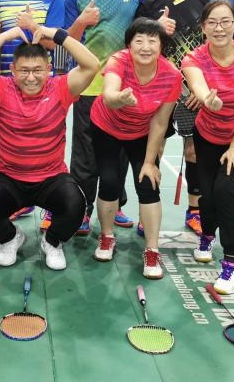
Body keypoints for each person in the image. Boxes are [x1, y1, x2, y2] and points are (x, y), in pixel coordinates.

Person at [0, 25, 99, 270]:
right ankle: (10, 238)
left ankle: (52, 241)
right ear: (13, 70)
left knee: (76, 205)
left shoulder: (61, 88)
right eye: (24, 70)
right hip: (9, 177)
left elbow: (91, 65)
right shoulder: (1, 88)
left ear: (48, 69)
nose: (31, 77)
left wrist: (55, 34)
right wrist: (6, 35)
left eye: (37, 70)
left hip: (51, 177)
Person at [62, 0, 147, 235]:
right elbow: (66, 40)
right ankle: (82, 210)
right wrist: (82, 22)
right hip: (89, 86)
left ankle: (116, 204)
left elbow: (143, 30)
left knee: (120, 151)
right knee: (84, 154)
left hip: (124, 86)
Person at [181, 0, 234, 295]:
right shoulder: (193, 58)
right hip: (207, 135)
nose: (219, 28)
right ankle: (206, 236)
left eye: (225, 21)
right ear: (204, 28)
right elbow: (197, 85)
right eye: (213, 23)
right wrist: (208, 99)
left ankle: (231, 265)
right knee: (208, 195)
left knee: (226, 192)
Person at [90, 18, 181, 279]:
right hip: (106, 126)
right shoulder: (118, 61)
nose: (145, 47)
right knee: (109, 182)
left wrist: (150, 162)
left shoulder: (172, 75)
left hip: (142, 132)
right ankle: (107, 237)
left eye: (152, 41)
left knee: (148, 183)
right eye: (138, 40)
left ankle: (152, 250)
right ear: (129, 44)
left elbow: (160, 122)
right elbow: (109, 96)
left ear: (161, 46)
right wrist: (119, 98)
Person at [136, 0, 211, 236]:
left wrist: (201, 89)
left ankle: (195, 210)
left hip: (193, 93)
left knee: (194, 151)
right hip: (158, 91)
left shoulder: (204, 5)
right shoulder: (149, 6)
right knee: (154, 150)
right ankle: (147, 209)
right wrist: (156, 28)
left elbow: (212, 50)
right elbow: (136, 46)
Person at [0, 0, 65, 222]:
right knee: (12, 145)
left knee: (49, 146)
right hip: (9, 85)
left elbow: (53, 43)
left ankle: (51, 201)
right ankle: (20, 199)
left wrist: (33, 27)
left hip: (43, 86)